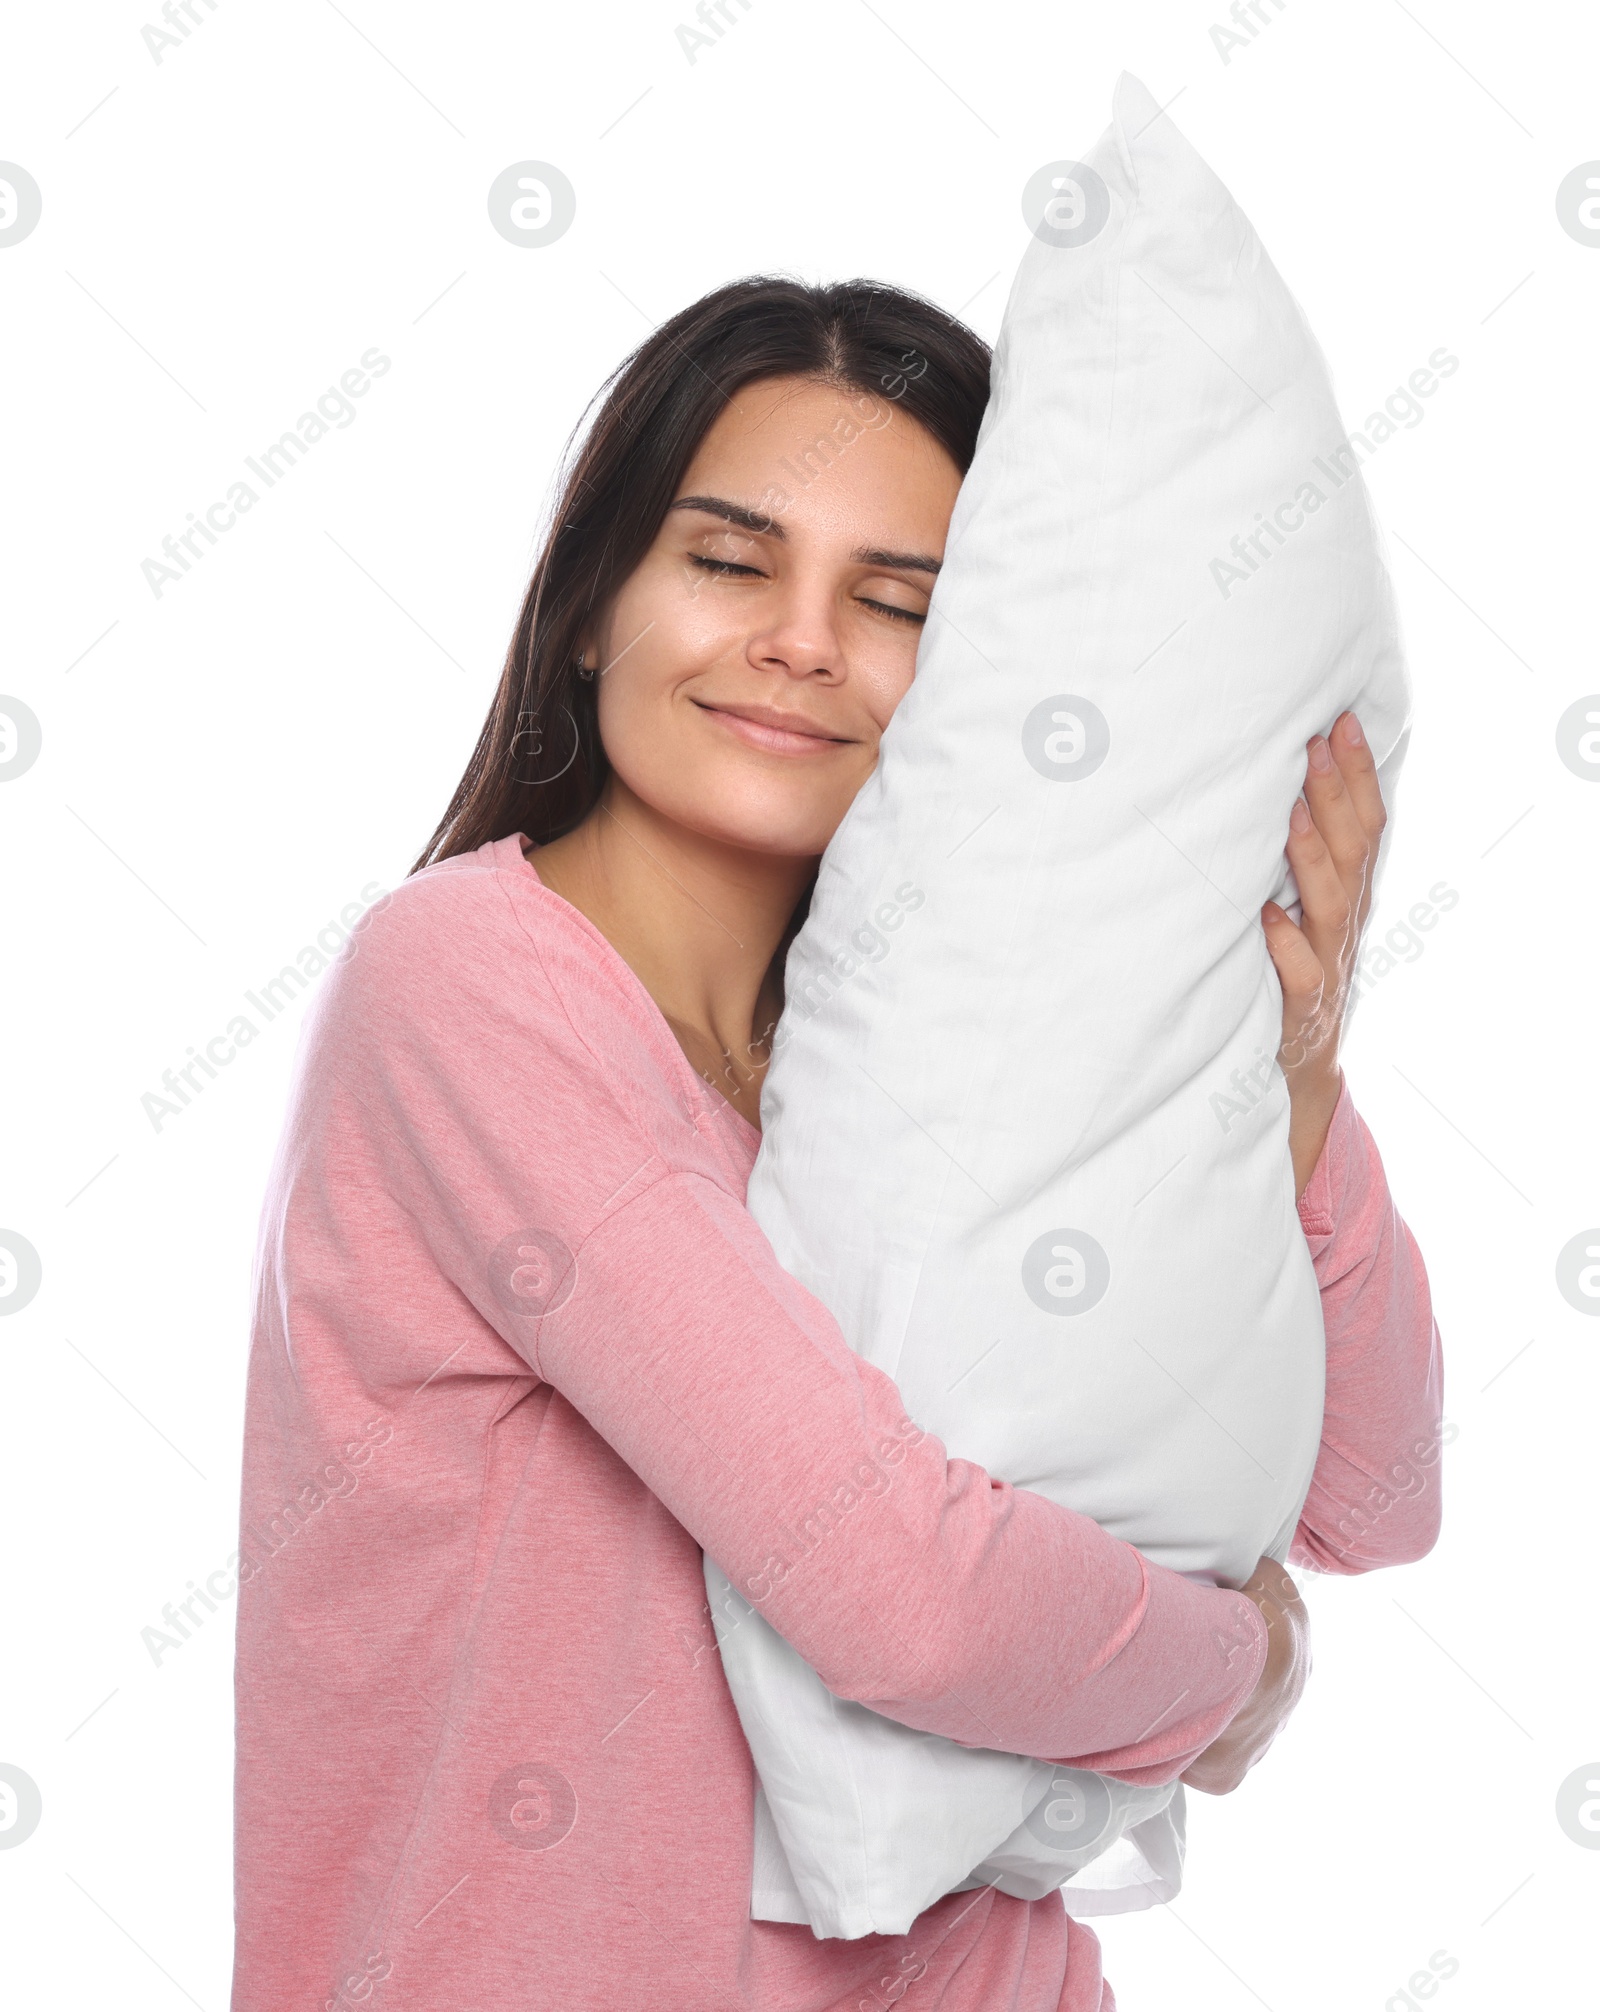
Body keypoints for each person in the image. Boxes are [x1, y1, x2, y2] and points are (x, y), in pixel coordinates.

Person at [231, 278, 1442, 2012]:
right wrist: (1230, 1668)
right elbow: (896, 1592)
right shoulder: (467, 986)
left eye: (897, 606)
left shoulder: (956, 1056)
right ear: (591, 608)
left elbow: (1372, 1496)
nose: (802, 642)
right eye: (729, 563)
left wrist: (1297, 1090)